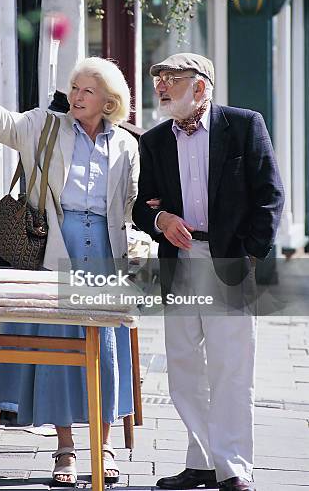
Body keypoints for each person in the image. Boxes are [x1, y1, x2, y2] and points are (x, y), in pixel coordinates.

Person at [0, 57, 140, 486]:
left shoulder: (125, 144)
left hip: (105, 251)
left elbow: (132, 204)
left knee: (103, 350)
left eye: (87, 90)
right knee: (60, 352)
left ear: (108, 100)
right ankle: (64, 450)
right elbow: (3, 124)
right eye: (74, 87)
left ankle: (101, 448)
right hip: (54, 249)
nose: (77, 96)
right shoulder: (45, 125)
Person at [132, 53, 284, 491]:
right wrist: (162, 221)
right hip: (180, 261)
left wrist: (250, 254)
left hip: (228, 261)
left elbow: (270, 195)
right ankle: (202, 461)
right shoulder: (155, 141)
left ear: (200, 87)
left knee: (231, 369)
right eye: (159, 79)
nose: (161, 87)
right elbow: (144, 204)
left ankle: (233, 468)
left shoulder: (244, 125)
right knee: (183, 370)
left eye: (172, 80)